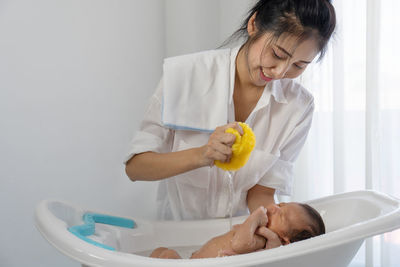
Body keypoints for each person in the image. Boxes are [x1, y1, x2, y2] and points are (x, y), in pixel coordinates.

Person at [125, 0, 336, 226]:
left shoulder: (298, 107)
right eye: (277, 54)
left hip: (241, 238)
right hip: (178, 235)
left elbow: (260, 192)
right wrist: (202, 154)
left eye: (299, 65)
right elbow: (136, 167)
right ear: (254, 24)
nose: (280, 72)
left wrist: (273, 230)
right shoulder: (186, 75)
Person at [150, 202, 325, 259]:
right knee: (160, 252)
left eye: (282, 216)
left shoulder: (263, 240)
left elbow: (239, 244)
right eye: (281, 205)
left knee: (167, 256)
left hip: (195, 266)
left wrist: (256, 215)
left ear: (285, 239)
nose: (275, 208)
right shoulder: (258, 230)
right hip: (194, 261)